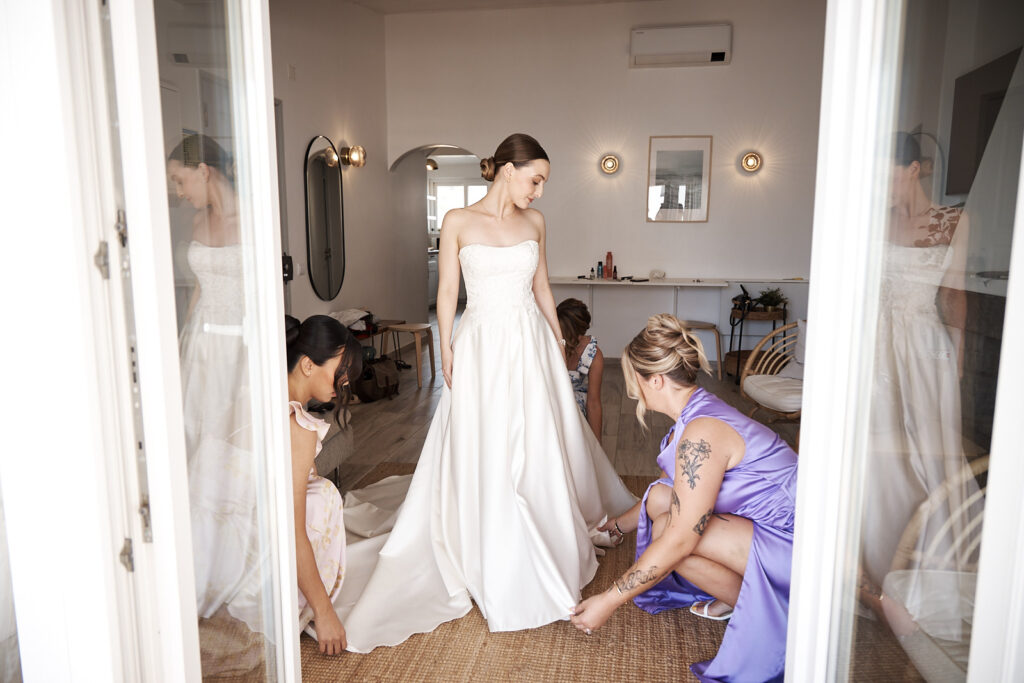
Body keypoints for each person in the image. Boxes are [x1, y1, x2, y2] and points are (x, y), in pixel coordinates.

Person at [340, 133, 636, 652]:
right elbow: (448, 292)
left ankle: (543, 527)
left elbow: (542, 286)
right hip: (479, 343)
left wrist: (556, 336)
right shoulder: (458, 221)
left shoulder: (536, 223)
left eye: (543, 182)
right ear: (506, 169)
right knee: (485, 437)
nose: (539, 191)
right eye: (535, 179)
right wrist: (447, 344)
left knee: (535, 437)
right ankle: (486, 534)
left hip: (527, 341)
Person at [570, 314, 798, 683]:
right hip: (771, 527)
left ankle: (764, 608)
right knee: (662, 500)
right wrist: (614, 527)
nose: (633, 389)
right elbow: (662, 491)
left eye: (635, 379)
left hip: (800, 546)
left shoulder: (701, 435)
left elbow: (680, 537)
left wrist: (609, 600)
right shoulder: (698, 411)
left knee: (669, 536)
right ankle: (742, 595)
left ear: (656, 380)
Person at [856, 133, 981, 633]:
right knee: (878, 457)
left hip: (924, 349)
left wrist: (958, 356)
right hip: (877, 348)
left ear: (915, 168)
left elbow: (954, 294)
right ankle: (878, 569)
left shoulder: (954, 221)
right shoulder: (873, 220)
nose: (880, 185)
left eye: (887, 173)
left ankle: (935, 571)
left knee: (929, 452)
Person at [168, 134, 258, 626]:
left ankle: (233, 553)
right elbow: (199, 294)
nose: (180, 193)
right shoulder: (200, 222)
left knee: (233, 444)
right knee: (199, 444)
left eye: (180, 181)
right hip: (202, 347)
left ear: (203, 169)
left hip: (241, 350)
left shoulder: (254, 220)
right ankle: (198, 551)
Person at [284, 314, 362, 654]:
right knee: (326, 496)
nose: (344, 382)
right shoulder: (297, 428)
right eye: (339, 369)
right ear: (307, 365)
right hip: (259, 541)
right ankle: (299, 602)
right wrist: (325, 612)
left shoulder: (261, 392)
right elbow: (292, 528)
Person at [557, 298, 604, 442]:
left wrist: (597, 448)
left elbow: (593, 403)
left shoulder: (594, 355)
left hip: (575, 409)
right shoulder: (552, 343)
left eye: (561, 330)